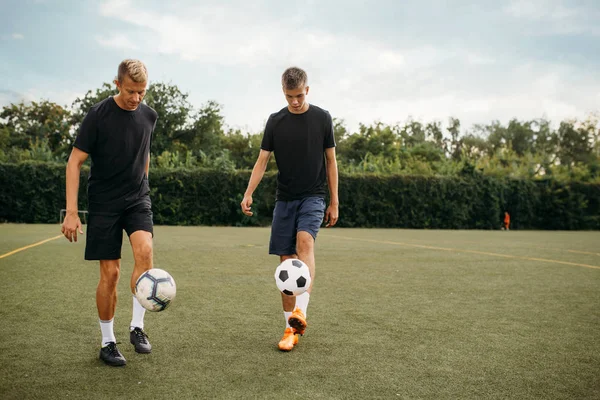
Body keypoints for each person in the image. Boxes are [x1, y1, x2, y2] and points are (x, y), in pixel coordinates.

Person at [61, 59, 158, 366]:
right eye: (131, 91)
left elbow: (145, 151)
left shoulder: (149, 115)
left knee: (145, 253)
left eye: (142, 92)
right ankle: (107, 342)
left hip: (137, 198)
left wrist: (144, 183)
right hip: (104, 202)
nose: (137, 98)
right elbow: (74, 162)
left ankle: (137, 327)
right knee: (111, 273)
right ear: (117, 84)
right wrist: (72, 212)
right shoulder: (98, 116)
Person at [240, 66, 339, 351]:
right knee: (286, 262)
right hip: (285, 198)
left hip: (314, 195)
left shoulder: (322, 118)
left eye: (298, 95)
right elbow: (262, 161)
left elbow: (331, 161)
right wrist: (248, 193)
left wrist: (334, 201)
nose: (294, 101)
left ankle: (300, 313)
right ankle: (289, 329)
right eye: (288, 96)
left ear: (307, 90)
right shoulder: (275, 121)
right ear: (283, 92)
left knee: (304, 241)